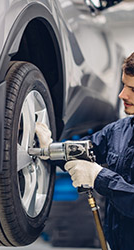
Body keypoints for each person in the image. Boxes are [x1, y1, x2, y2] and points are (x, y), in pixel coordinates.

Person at [36, 52, 134, 250]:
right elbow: (83, 150)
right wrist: (50, 149)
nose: (122, 95)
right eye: (123, 85)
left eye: (132, 89)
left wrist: (99, 177)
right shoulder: (119, 130)